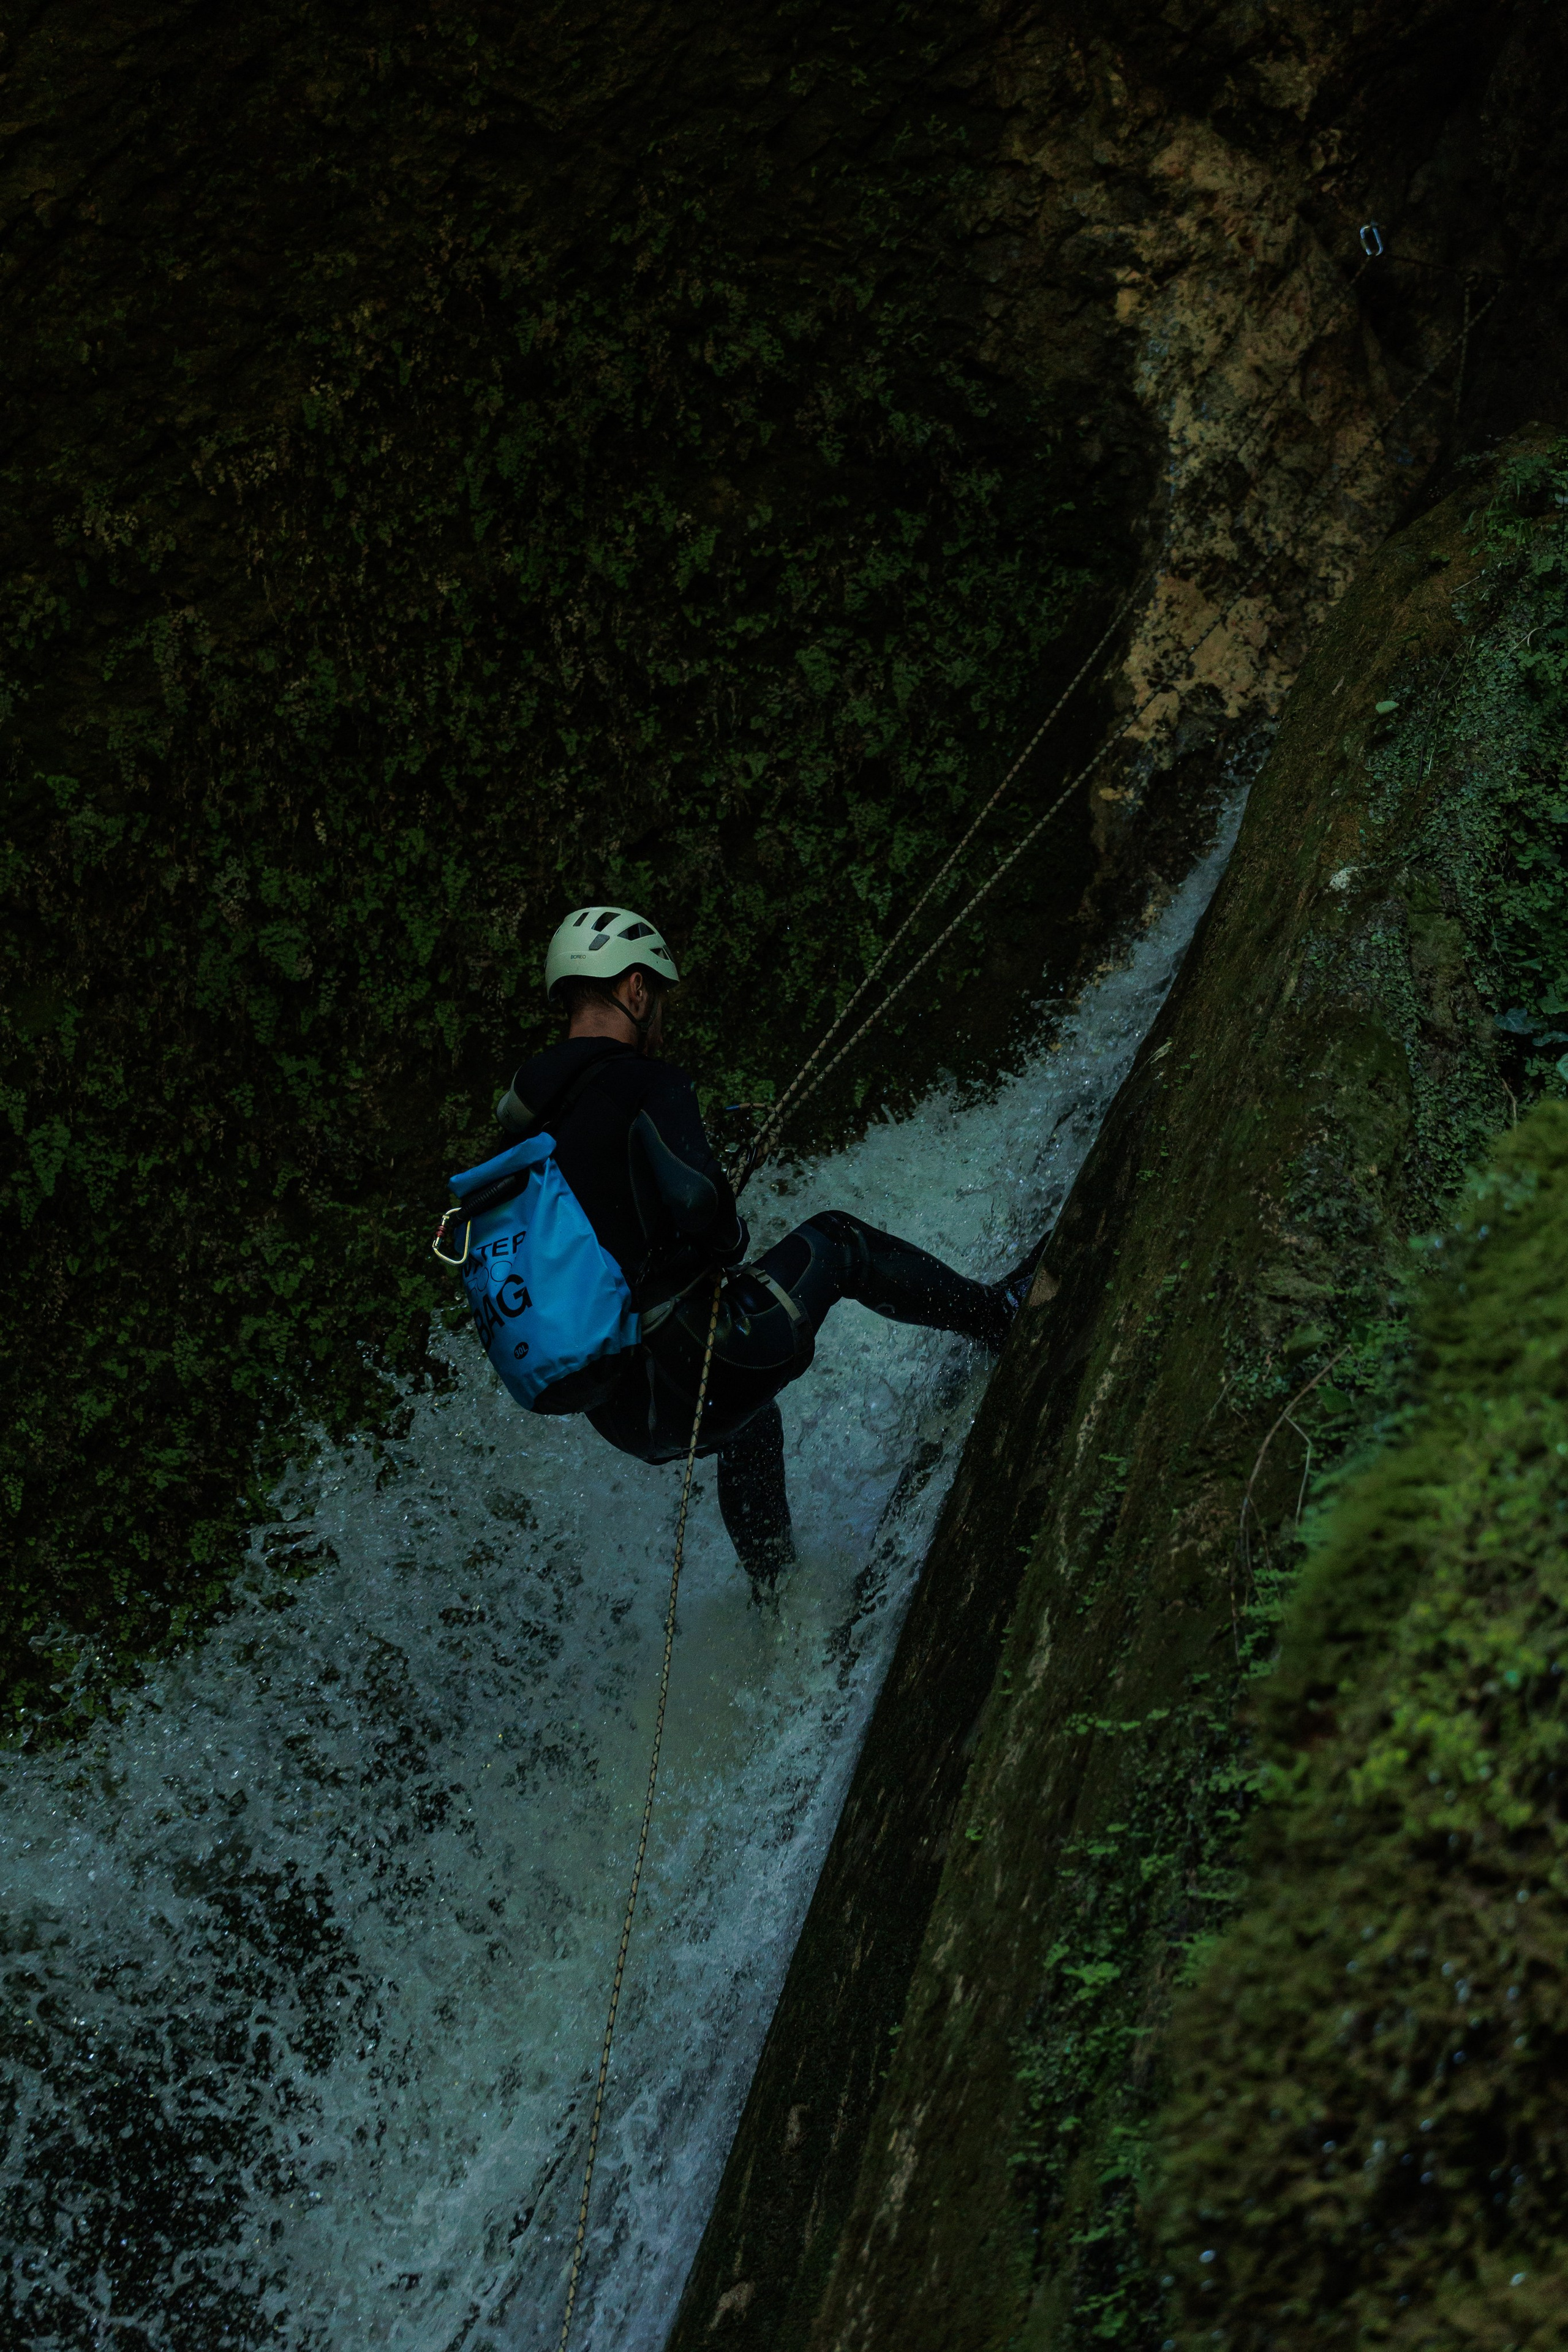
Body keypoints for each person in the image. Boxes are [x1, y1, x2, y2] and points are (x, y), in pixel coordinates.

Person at [495, 905, 1044, 1593]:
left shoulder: (522, 1130)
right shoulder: (642, 1081)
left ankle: (777, 1594)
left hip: (623, 1411)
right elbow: (697, 1201)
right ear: (634, 988)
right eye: (657, 999)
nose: (660, 1018)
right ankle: (1001, 1317)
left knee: (750, 1424)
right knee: (839, 1242)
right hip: (699, 1359)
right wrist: (726, 1235)